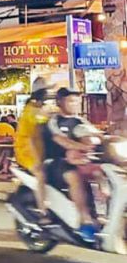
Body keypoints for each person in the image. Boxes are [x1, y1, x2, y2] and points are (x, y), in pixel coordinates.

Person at [44, 87, 99, 242]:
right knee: (75, 177)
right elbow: (60, 140)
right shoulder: (53, 121)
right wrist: (82, 147)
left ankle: (102, 216)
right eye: (71, 100)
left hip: (78, 161)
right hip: (55, 162)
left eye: (77, 101)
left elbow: (96, 134)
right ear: (60, 102)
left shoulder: (81, 121)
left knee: (102, 173)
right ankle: (85, 221)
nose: (75, 104)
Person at [15, 77, 52, 220]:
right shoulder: (31, 111)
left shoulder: (37, 108)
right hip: (27, 152)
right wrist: (37, 161)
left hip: (39, 150)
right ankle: (43, 211)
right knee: (41, 175)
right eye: (46, 92)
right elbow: (30, 138)